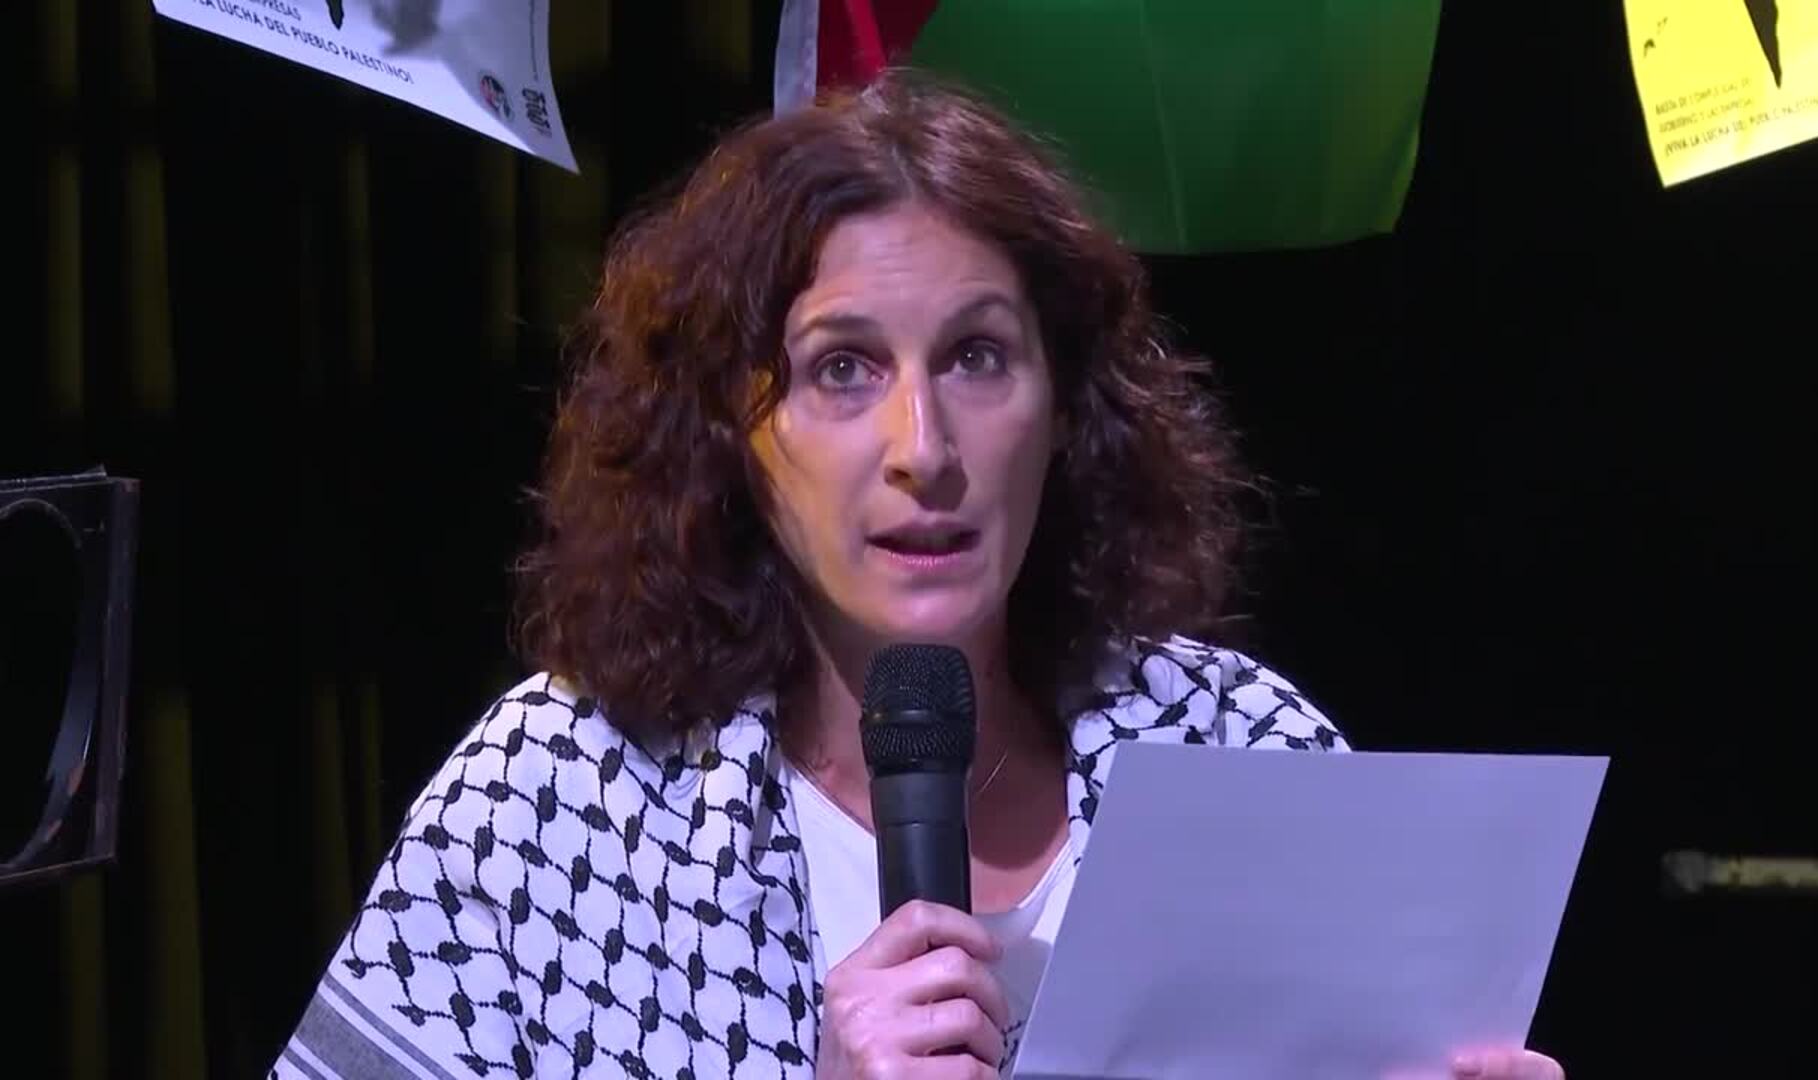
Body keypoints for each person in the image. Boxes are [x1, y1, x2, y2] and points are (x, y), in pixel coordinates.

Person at [271, 72, 1566, 1080]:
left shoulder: (1245, 755)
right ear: (731, 429)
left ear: (1064, 410)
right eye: (843, 370)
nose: (923, 449)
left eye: (977, 358)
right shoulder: (556, 805)